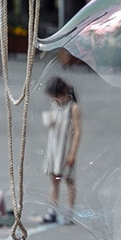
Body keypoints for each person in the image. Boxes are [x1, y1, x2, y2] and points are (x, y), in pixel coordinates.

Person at [40, 76, 81, 224]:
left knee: (69, 181)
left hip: (65, 150)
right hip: (54, 149)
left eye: (55, 96)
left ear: (62, 92)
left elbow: (77, 131)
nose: (54, 99)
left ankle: (69, 212)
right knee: (54, 180)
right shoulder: (55, 105)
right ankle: (52, 210)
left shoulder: (73, 108)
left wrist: (72, 153)